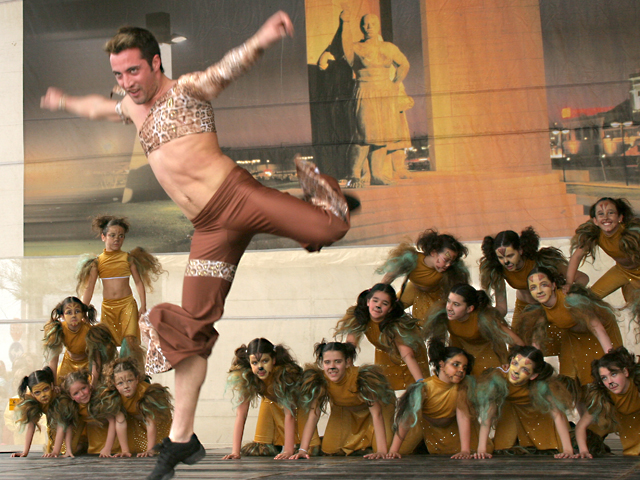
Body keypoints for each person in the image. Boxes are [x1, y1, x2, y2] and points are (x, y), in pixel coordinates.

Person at [41, 11, 350, 479]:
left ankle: (321, 189)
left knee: (331, 229)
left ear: (155, 63)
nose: (126, 82)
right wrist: (64, 100)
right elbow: (97, 108)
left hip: (240, 198)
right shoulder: (129, 106)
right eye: (118, 74)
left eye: (133, 71)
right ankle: (182, 440)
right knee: (191, 335)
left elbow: (232, 65)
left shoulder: (187, 89)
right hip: (209, 230)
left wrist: (265, 35)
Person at [479, 227, 589, 355]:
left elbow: (583, 278)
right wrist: (489, 316)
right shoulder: (498, 270)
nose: (506, 261)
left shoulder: (542, 261)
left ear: (520, 250)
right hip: (523, 307)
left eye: (510, 255)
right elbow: (501, 307)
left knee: (559, 345)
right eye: (501, 257)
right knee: (517, 349)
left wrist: (570, 291)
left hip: (548, 307)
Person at [518, 267, 623, 394]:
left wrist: (611, 356)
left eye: (543, 285)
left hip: (599, 333)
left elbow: (597, 328)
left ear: (553, 285)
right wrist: (533, 369)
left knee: (608, 374)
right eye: (533, 287)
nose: (539, 291)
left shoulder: (570, 299)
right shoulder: (540, 312)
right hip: (575, 337)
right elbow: (536, 342)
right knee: (574, 382)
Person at [339, 9, 412, 186]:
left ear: (378, 26)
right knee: (364, 134)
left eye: (373, 23)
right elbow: (346, 49)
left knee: (382, 135)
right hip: (365, 90)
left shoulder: (388, 47)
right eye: (365, 23)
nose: (369, 26)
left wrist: (395, 83)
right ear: (361, 27)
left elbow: (404, 64)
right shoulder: (357, 47)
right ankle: (354, 174)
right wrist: (345, 24)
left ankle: (377, 173)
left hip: (385, 92)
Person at [291, 341, 395, 459]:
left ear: (347, 362)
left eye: (338, 361)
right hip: (346, 410)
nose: (332, 367)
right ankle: (362, 445)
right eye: (327, 362)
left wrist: (381, 450)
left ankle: (374, 441)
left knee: (386, 448)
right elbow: (313, 415)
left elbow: (377, 413)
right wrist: (303, 450)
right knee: (330, 449)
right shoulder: (321, 380)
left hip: (376, 411)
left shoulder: (362, 378)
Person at [223, 338, 320, 460]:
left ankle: (299, 446)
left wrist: (288, 450)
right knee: (267, 403)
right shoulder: (248, 378)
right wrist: (236, 452)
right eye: (254, 363)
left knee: (309, 446)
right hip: (273, 402)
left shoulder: (284, 377)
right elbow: (241, 414)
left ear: (273, 360)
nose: (260, 367)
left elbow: (289, 413)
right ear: (249, 362)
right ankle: (271, 442)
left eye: (265, 361)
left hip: (300, 403)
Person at [77, 215, 164, 347]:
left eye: (121, 236)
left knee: (130, 341)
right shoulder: (97, 262)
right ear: (103, 237)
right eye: (112, 235)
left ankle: (132, 366)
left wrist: (143, 305)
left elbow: (139, 283)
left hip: (127, 305)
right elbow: (89, 288)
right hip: (108, 307)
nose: (117, 239)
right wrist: (83, 309)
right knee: (109, 343)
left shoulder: (128, 258)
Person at [387, 339, 482, 458]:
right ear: (441, 364)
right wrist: (394, 450)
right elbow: (408, 417)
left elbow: (463, 416)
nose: (461, 370)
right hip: (427, 427)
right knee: (404, 450)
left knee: (473, 451)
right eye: (456, 364)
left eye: (464, 367)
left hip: (454, 430)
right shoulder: (424, 388)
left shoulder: (462, 388)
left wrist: (465, 450)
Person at [474, 346, 575, 458]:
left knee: (548, 450)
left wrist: (567, 449)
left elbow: (557, 415)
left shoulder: (542, 385)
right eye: (515, 363)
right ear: (511, 360)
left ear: (533, 375)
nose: (516, 371)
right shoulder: (497, 378)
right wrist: (482, 449)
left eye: (525, 369)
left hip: (540, 415)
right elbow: (488, 413)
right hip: (512, 414)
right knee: (503, 448)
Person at [567, 197, 640, 337]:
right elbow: (576, 256)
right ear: (595, 221)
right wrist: (569, 284)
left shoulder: (632, 233)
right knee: (589, 298)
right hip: (622, 272)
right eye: (601, 214)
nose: (606, 217)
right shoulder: (595, 234)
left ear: (620, 217)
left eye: (611, 213)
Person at [334, 283, 430, 390]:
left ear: (390, 309)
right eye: (375, 301)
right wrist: (349, 379)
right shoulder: (359, 316)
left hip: (411, 360)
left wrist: (421, 382)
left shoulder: (397, 325)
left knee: (413, 392)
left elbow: (407, 355)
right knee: (384, 391)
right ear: (368, 302)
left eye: (384, 303)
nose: (378, 305)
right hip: (385, 355)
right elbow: (350, 348)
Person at [423, 284, 523, 376]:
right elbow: (437, 344)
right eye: (449, 301)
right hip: (460, 360)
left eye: (456, 304)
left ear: (469, 309)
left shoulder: (484, 319)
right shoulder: (443, 315)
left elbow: (518, 342)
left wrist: (511, 362)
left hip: (487, 360)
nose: (449, 307)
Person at [377, 229, 469, 325]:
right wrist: (377, 293)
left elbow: (460, 290)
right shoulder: (412, 259)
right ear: (433, 252)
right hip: (413, 288)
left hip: (434, 297)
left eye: (451, 262)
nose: (448, 265)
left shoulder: (450, 272)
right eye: (446, 260)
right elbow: (389, 277)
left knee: (429, 323)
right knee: (390, 309)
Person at [576, 346, 640, 457]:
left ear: (625, 372)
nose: (610, 382)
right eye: (604, 378)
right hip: (612, 423)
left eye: (613, 374)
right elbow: (581, 426)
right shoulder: (603, 396)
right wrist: (583, 450)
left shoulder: (637, 385)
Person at [105, 358, 173, 457]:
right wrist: (125, 450)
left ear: (137, 379)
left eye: (130, 380)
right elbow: (120, 422)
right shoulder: (115, 397)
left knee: (162, 448)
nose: (126, 386)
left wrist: (150, 450)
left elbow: (150, 421)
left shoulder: (145, 392)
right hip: (136, 421)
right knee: (121, 419)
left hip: (156, 422)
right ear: (114, 385)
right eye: (120, 383)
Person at [43, 296, 117, 387]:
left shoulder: (90, 331)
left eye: (77, 311)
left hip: (87, 365)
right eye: (69, 312)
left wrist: (93, 384)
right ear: (62, 316)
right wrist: (54, 384)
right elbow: (53, 360)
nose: (73, 315)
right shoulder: (59, 330)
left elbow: (96, 360)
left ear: (83, 313)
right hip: (68, 363)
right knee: (62, 388)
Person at [11, 367, 74, 458]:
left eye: (45, 389)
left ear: (52, 386)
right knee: (52, 451)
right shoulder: (33, 402)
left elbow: (62, 425)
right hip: (55, 429)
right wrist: (25, 452)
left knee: (71, 449)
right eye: (37, 392)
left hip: (71, 426)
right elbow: (31, 426)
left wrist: (55, 452)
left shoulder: (59, 398)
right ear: (32, 394)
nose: (43, 395)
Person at [64, 369, 121, 457]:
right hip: (94, 441)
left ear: (89, 385)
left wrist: (107, 448)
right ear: (70, 396)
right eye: (76, 393)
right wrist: (69, 449)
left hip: (112, 440)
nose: (82, 394)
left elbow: (112, 421)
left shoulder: (100, 399)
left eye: (83, 388)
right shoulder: (74, 406)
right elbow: (70, 426)